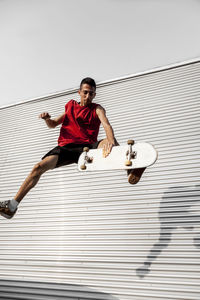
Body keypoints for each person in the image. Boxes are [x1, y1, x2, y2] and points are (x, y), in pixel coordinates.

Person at [0, 77, 142, 219]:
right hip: (66, 148)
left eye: (91, 93)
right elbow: (53, 124)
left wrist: (110, 141)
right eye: (85, 92)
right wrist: (47, 119)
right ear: (79, 92)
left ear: (95, 95)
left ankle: (131, 170)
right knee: (38, 167)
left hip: (88, 147)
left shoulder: (97, 109)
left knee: (109, 142)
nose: (88, 96)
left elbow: (106, 125)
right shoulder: (70, 107)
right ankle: (11, 206)